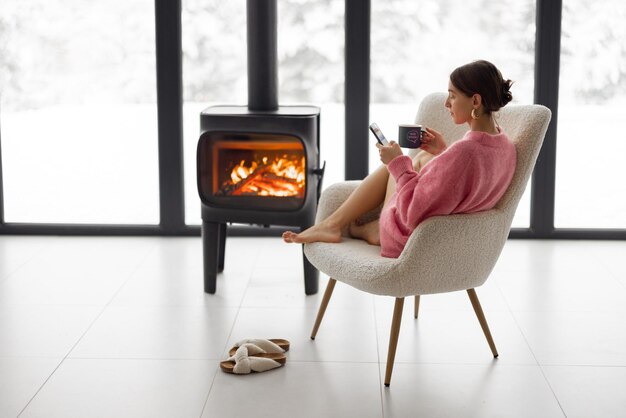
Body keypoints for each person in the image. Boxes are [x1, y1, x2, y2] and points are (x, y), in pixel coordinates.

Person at [283, 60, 516, 258]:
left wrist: (397, 163)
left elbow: (412, 214)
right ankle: (364, 229)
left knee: (394, 164)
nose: (446, 104)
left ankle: (339, 226)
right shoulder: (504, 145)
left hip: (412, 239)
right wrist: (443, 153)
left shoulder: (464, 152)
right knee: (423, 156)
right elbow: (465, 182)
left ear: (475, 101)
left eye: (452, 96)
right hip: (453, 240)